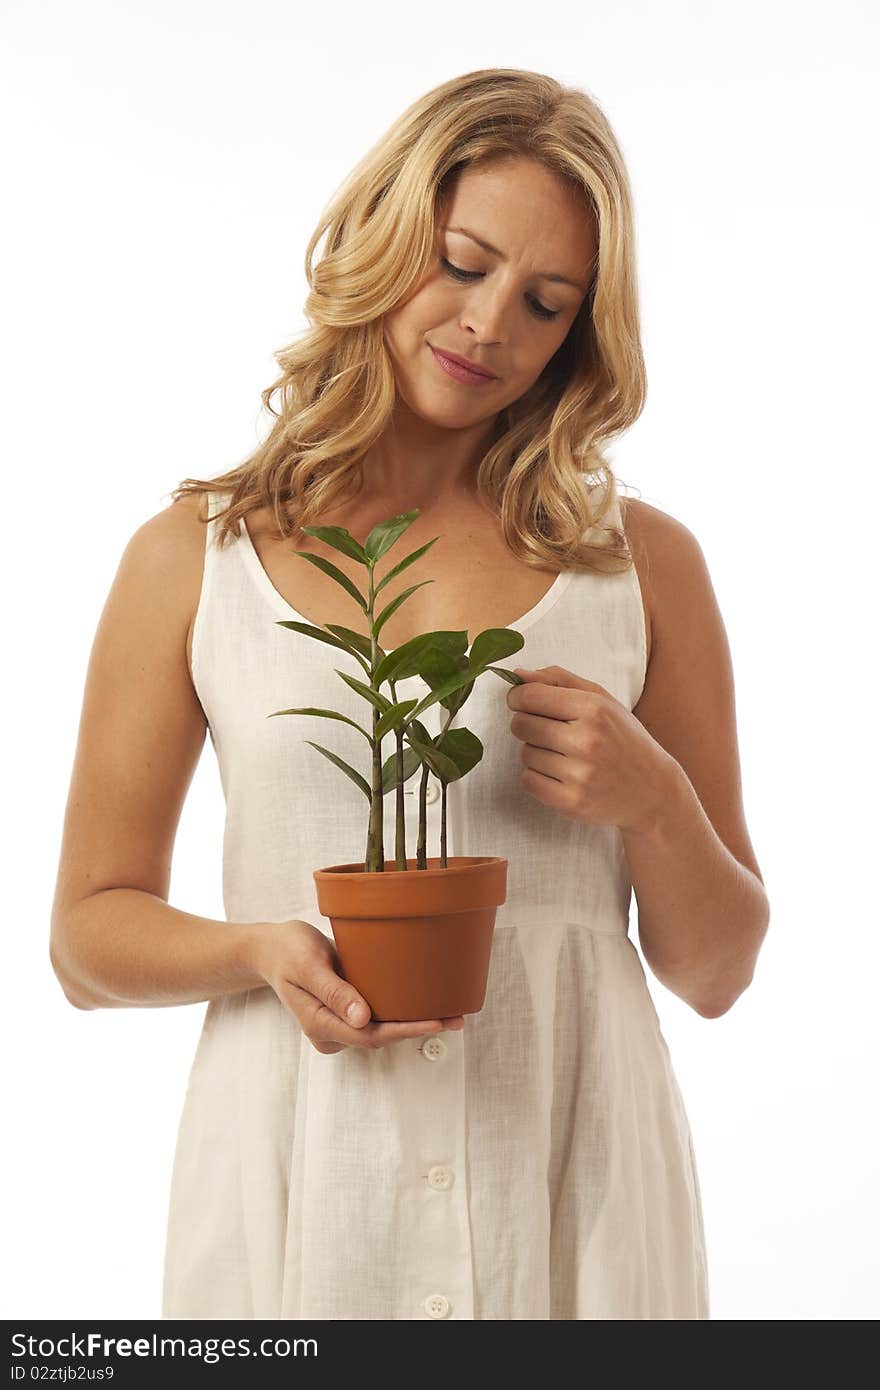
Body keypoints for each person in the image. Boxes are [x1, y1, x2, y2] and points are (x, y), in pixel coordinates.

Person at [49, 67, 770, 1320]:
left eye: (545, 304)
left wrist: (653, 803)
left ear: (578, 336)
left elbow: (715, 971)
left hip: (576, 1186)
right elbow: (86, 937)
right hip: (296, 1183)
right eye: (462, 261)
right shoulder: (195, 557)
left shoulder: (641, 566)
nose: (491, 324)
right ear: (385, 235)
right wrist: (259, 951)